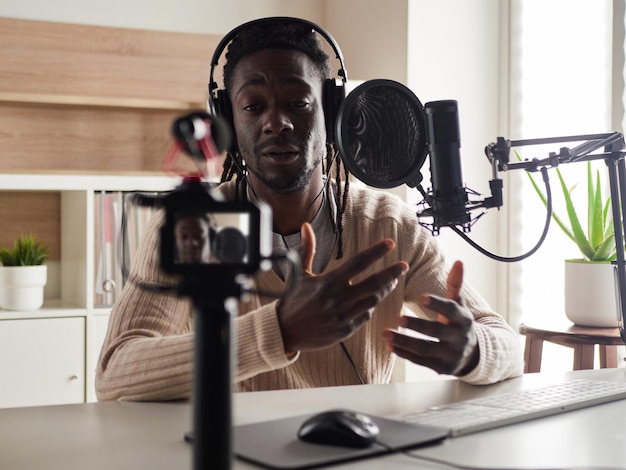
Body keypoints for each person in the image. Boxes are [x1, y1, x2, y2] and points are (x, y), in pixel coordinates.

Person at [96, 18, 523, 401]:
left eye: (298, 102)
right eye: (253, 106)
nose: (275, 122)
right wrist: (279, 330)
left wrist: (474, 352)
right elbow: (116, 374)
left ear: (333, 113)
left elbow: (505, 344)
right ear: (229, 119)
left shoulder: (390, 225)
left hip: (355, 449)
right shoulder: (194, 225)